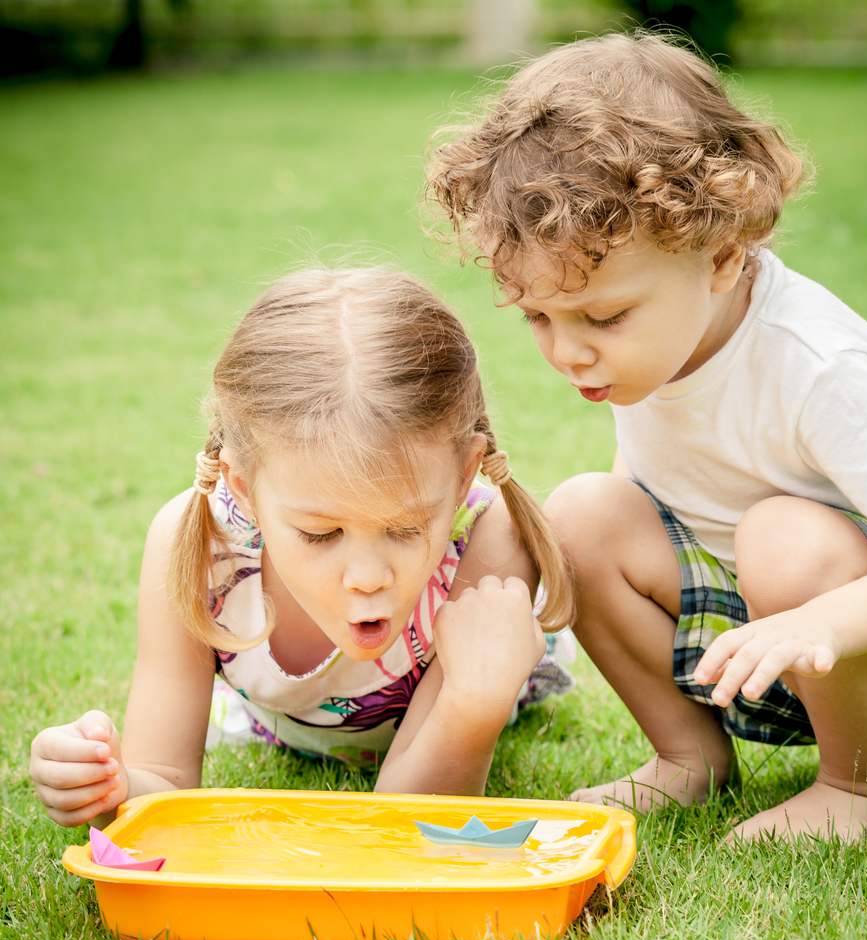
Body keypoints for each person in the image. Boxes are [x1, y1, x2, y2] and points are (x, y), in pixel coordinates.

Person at [426, 32, 867, 841]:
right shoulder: (656, 341)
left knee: (783, 536)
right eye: (536, 317)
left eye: (602, 316)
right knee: (585, 512)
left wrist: (823, 624)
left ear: (724, 257)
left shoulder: (813, 362)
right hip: (750, 637)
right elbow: (648, 503)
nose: (568, 351)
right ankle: (689, 758)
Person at [29, 268, 573, 828]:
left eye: (406, 529)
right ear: (244, 488)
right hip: (289, 723)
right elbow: (161, 782)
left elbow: (405, 829)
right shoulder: (198, 550)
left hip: (477, 679)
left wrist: (475, 703)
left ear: (462, 478)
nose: (366, 577)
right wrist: (107, 786)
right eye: (321, 534)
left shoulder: (488, 540)